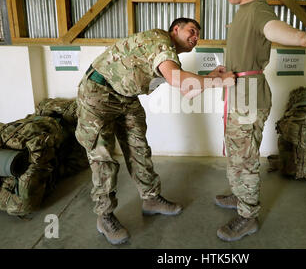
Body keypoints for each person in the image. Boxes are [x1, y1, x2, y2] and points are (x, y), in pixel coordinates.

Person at [214, 0, 306, 242]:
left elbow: (274, 30)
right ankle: (239, 196)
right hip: (237, 93)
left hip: (249, 98)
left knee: (245, 158)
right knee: (237, 152)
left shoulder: (258, 9)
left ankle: (247, 217)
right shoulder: (241, 11)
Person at [75, 17, 235, 245]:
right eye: (191, 31)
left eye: (198, 34)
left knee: (138, 148)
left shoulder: (169, 56)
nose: (195, 37)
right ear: (175, 30)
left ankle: (151, 199)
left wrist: (211, 78)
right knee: (103, 158)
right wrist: (219, 83)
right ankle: (105, 215)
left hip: (125, 97)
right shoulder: (161, 41)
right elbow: (179, 81)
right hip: (97, 92)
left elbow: (187, 90)